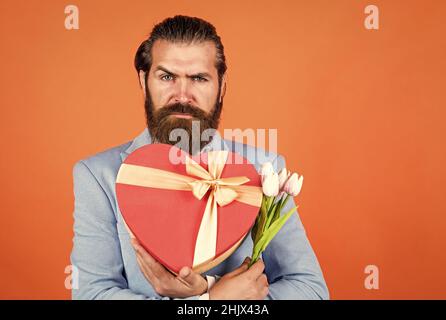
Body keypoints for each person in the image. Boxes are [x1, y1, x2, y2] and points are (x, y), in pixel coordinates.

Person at [70, 15, 329, 300]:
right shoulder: (97, 175)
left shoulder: (264, 170)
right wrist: (211, 300)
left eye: (199, 78)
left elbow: (311, 291)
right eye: (167, 77)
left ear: (222, 87)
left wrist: (208, 285)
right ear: (144, 81)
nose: (182, 95)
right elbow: (91, 295)